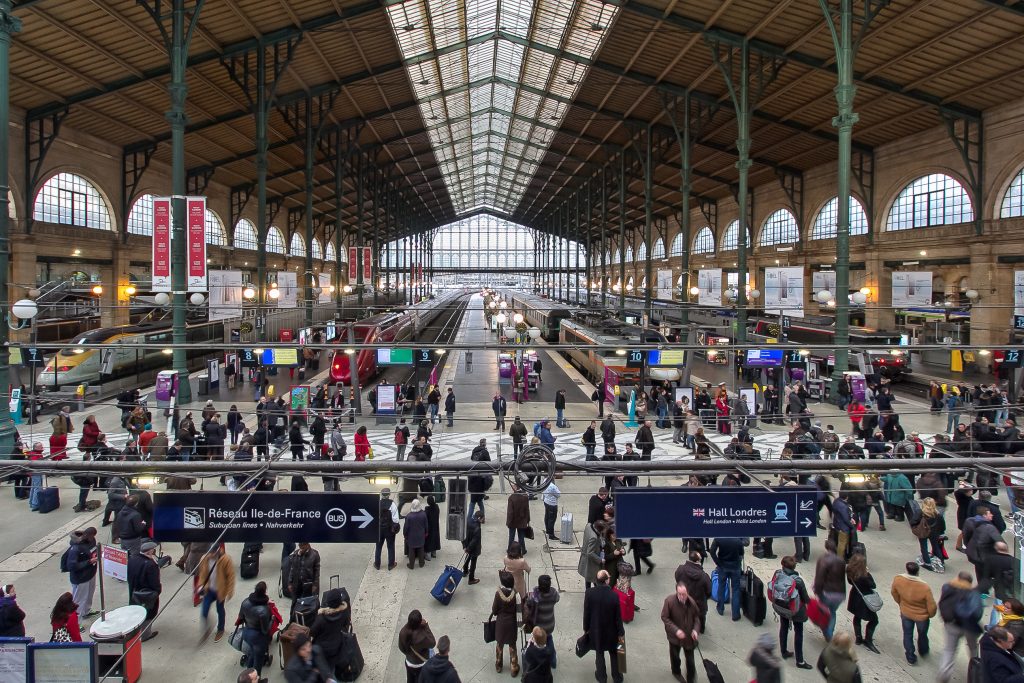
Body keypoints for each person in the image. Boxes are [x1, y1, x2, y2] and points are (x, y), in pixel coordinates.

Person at [936, 570, 983, 683]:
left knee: (949, 650)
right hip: (969, 627)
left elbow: (942, 603)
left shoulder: (947, 588)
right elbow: (977, 613)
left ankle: (944, 674)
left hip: (951, 624)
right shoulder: (973, 594)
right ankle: (974, 671)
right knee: (973, 648)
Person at [770, 555, 813, 670]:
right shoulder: (797, 580)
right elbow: (805, 597)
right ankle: (800, 661)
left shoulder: (778, 573)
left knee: (783, 627)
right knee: (798, 632)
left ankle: (783, 651)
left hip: (781, 605)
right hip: (795, 609)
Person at [891, 560, 937, 664]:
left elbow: (894, 593)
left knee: (907, 634)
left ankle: (910, 656)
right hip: (922, 617)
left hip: (906, 612)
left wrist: (901, 603)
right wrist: (930, 614)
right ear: (918, 571)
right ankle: (923, 650)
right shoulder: (924, 587)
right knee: (922, 634)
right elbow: (931, 605)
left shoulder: (898, 580)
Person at [582, 569, 624, 683]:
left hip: (596, 630)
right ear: (606, 581)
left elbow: (587, 613)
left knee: (599, 653)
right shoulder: (614, 595)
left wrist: (586, 629)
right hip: (612, 631)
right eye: (609, 577)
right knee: (615, 654)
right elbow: (618, 617)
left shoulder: (589, 593)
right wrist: (621, 632)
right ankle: (617, 677)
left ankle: (602, 677)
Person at [661, 582, 701, 682]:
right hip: (675, 637)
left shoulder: (692, 603)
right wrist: (676, 630)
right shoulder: (669, 601)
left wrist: (695, 630)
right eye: (679, 594)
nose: (682, 596)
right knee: (675, 656)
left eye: (684, 594)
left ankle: (691, 679)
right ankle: (676, 672)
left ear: (687, 592)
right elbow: (665, 617)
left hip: (688, 637)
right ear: (676, 592)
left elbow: (696, 618)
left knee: (690, 661)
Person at [198, 543, 237, 643]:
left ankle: (220, 629)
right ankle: (207, 627)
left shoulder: (226, 559)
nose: (210, 555)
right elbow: (202, 573)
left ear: (217, 550)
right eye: (209, 553)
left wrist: (230, 592)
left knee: (220, 610)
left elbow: (231, 576)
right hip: (209, 590)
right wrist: (200, 585)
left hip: (220, 590)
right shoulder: (204, 558)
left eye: (212, 553)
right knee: (204, 611)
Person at [842, 552, 880, 654]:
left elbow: (850, 582)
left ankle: (858, 637)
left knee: (857, 617)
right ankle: (868, 639)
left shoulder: (849, 571)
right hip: (864, 598)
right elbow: (873, 585)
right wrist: (868, 573)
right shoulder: (865, 576)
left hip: (855, 596)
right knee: (874, 620)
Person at [310, 587, 351, 677]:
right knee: (331, 669)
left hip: (322, 648)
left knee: (323, 670)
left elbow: (312, 632)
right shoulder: (344, 613)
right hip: (337, 645)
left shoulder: (321, 618)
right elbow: (346, 626)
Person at [236, 581, 273, 677]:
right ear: (265, 592)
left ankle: (247, 675)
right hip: (258, 639)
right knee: (258, 664)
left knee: (252, 654)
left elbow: (240, 617)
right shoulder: (265, 610)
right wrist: (272, 620)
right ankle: (256, 679)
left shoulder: (245, 602)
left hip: (247, 633)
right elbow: (265, 630)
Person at [813, 539, 847, 642]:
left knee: (823, 613)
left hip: (827, 592)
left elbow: (819, 578)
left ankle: (827, 633)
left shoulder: (823, 560)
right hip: (839, 593)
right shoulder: (841, 561)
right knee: (832, 613)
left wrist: (817, 591)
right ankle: (830, 633)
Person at [65, 527, 99, 621]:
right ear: (86, 535)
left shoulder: (91, 541)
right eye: (91, 536)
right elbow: (72, 566)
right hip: (81, 578)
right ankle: (76, 622)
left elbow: (93, 551)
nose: (93, 538)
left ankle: (86, 611)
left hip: (90, 573)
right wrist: (89, 562)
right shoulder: (75, 548)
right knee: (79, 600)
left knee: (89, 595)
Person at [491, 570, 520, 675]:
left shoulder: (498, 594)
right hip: (512, 623)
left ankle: (499, 665)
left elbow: (494, 610)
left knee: (500, 644)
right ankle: (514, 667)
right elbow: (519, 610)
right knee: (512, 645)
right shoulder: (516, 595)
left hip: (501, 623)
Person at [674, 551, 711, 633]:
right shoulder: (704, 576)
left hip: (684, 601)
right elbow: (709, 591)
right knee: (700, 617)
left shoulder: (680, 569)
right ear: (698, 561)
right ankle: (701, 630)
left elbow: (677, 580)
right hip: (699, 603)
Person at [710, 536, 745, 621]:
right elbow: (741, 553)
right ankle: (735, 614)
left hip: (723, 566)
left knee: (721, 586)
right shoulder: (738, 540)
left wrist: (718, 562)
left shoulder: (719, 538)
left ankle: (720, 608)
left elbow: (712, 551)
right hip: (735, 566)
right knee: (736, 590)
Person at [398, 609, 436, 683]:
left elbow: (401, 648)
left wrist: (409, 654)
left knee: (410, 680)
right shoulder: (422, 637)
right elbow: (433, 643)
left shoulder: (402, 632)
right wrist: (426, 626)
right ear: (419, 622)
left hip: (409, 662)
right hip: (420, 665)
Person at [530, 574, 560, 667]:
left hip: (539, 626)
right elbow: (557, 599)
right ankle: (553, 661)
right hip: (550, 624)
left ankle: (538, 661)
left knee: (537, 643)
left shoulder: (536, 595)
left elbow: (529, 603)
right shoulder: (553, 593)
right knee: (549, 640)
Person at [916, 496, 947, 573]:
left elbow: (914, 521)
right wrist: (941, 532)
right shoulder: (937, 514)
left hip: (923, 532)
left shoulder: (921, 512)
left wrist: (916, 528)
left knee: (924, 547)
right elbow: (943, 525)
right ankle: (941, 562)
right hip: (935, 533)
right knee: (936, 546)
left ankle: (927, 563)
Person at [374, 488, 399, 571]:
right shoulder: (392, 504)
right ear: (389, 495)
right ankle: (391, 564)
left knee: (378, 547)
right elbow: (395, 519)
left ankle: (377, 564)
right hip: (389, 529)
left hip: (379, 529)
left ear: (381, 495)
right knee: (390, 547)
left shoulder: (377, 503)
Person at [579, 520, 606, 589]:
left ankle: (589, 591)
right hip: (591, 561)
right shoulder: (594, 537)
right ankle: (591, 592)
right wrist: (600, 560)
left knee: (588, 577)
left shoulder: (588, 526)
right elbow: (590, 552)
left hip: (585, 557)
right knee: (593, 577)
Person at [506, 482, 531, 554]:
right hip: (522, 520)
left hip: (513, 521)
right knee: (521, 537)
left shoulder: (511, 498)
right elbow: (527, 509)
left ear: (516, 488)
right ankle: (523, 550)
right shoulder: (525, 496)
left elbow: (510, 512)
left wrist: (508, 522)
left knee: (511, 536)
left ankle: (510, 550)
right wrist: (528, 520)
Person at [404, 498, 428, 569]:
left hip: (411, 536)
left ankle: (411, 565)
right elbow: (426, 525)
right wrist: (426, 532)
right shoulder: (423, 514)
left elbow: (406, 527)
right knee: (421, 549)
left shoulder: (409, 516)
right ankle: (421, 563)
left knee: (411, 550)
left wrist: (405, 534)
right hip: (421, 535)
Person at [462, 510, 483, 585]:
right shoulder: (477, 528)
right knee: (473, 563)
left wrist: (465, 546)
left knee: (467, 557)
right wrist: (468, 548)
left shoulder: (468, 521)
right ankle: (471, 579)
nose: (482, 521)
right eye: (482, 519)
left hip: (467, 545)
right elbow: (475, 541)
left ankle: (465, 571)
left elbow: (463, 534)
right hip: (473, 548)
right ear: (479, 518)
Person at [425, 495, 441, 560]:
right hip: (435, 526)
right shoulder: (437, 507)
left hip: (429, 527)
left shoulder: (427, 509)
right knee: (435, 539)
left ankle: (428, 556)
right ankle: (434, 553)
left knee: (429, 541)